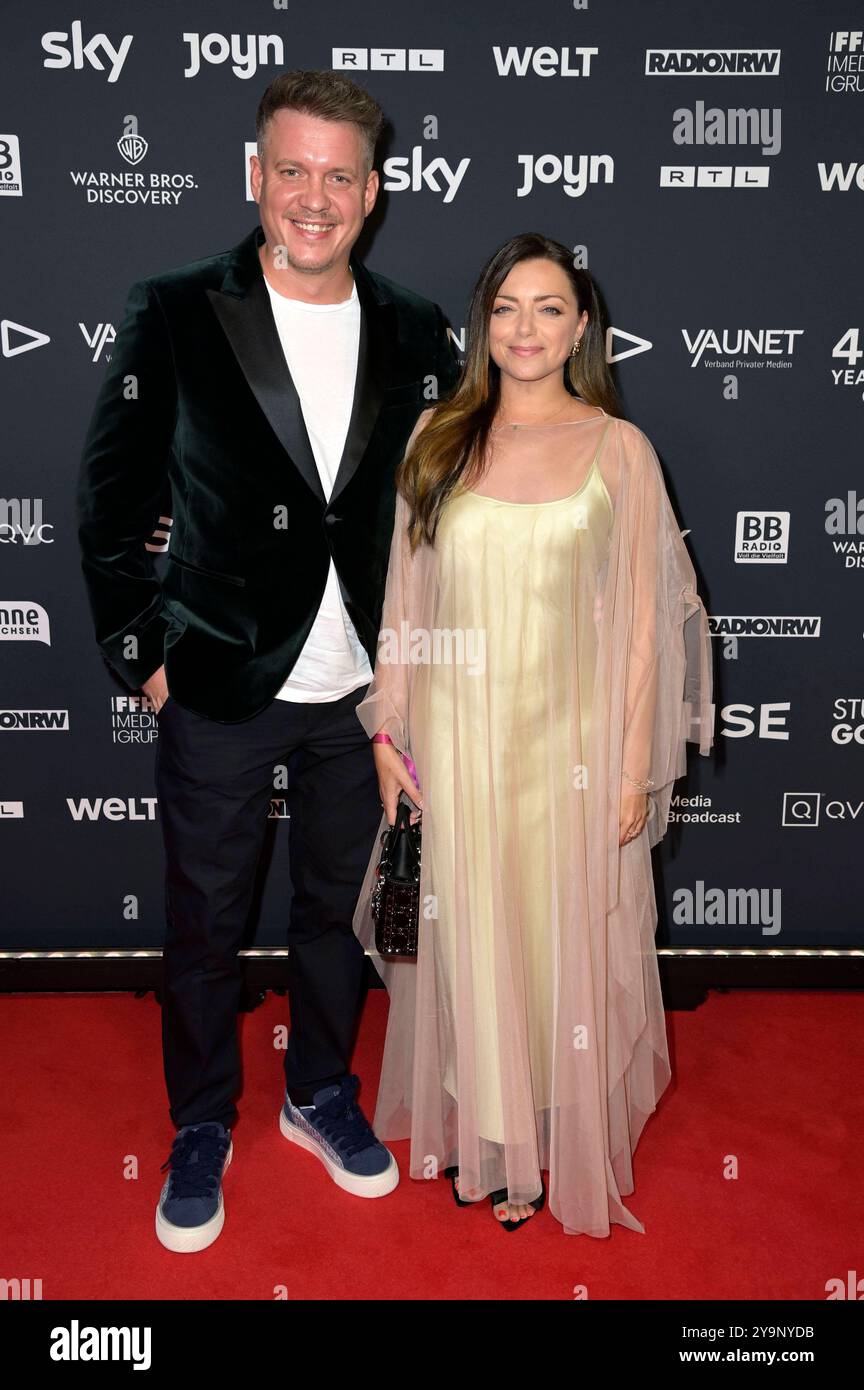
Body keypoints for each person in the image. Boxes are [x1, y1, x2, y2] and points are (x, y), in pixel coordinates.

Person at [76, 69, 459, 1253]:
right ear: (255, 175)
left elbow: (442, 508)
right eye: (290, 169)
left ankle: (320, 1094)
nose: (313, 195)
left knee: (340, 915)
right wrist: (148, 658)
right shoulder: (179, 308)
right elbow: (108, 499)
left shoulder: (415, 325)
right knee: (204, 916)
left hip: (365, 689)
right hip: (225, 679)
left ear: (373, 191)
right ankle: (200, 1124)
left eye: (338, 175)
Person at [351, 232, 714, 1236]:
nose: (525, 327)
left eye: (548, 307)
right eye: (507, 306)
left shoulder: (620, 449)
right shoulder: (437, 437)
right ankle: (488, 1145)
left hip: (572, 754)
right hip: (458, 750)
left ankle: (550, 1130)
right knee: (466, 941)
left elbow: (645, 625)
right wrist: (390, 737)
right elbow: (405, 600)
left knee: (554, 946)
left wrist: (634, 766)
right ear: (483, 323)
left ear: (582, 326)